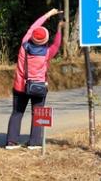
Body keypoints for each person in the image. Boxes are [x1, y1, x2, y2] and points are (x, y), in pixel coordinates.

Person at [6, 8, 63, 150]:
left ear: (32, 37)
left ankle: (11, 142)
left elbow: (33, 27)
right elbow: (56, 44)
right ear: (45, 39)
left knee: (17, 113)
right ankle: (35, 143)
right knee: (38, 113)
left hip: (20, 86)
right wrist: (59, 29)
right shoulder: (47, 52)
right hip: (38, 87)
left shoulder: (24, 46)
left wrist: (48, 14)